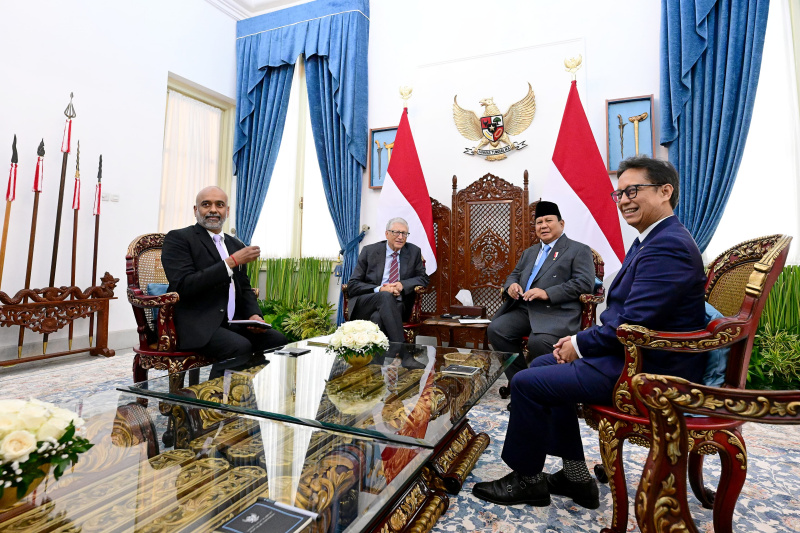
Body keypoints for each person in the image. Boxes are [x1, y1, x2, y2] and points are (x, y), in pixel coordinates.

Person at [472, 155, 707, 509]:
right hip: (631, 353)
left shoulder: (668, 245)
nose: (624, 199)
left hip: (649, 368)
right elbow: (628, 315)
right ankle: (576, 477)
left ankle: (527, 479)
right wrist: (581, 342)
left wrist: (580, 344)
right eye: (619, 193)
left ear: (664, 191)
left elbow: (633, 322)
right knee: (539, 369)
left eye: (633, 190)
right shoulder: (652, 239)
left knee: (526, 381)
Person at [161, 186, 287, 379]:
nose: (213, 210)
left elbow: (244, 288)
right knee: (239, 346)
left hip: (231, 322)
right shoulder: (179, 238)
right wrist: (231, 262)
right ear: (196, 210)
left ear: (227, 211)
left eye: (219, 205)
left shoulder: (235, 245)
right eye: (206, 204)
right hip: (196, 323)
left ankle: (242, 393)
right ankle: (214, 402)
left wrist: (254, 315)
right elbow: (184, 285)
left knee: (276, 340)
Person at [488, 201, 595, 396]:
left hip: (555, 312)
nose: (543, 226)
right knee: (497, 330)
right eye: (539, 222)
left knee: (538, 342)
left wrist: (547, 293)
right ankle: (521, 383)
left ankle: (548, 389)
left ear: (561, 224)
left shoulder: (578, 250)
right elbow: (514, 274)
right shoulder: (529, 253)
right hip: (525, 309)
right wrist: (511, 286)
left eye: (548, 221)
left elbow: (584, 283)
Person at [346, 217, 429, 343]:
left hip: (397, 304)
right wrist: (380, 289)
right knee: (384, 295)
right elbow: (353, 285)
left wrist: (402, 285)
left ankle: (378, 360)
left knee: (377, 318)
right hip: (367, 302)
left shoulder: (413, 252)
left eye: (404, 233)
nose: (400, 237)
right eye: (396, 232)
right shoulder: (370, 251)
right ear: (387, 234)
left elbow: (423, 279)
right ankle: (402, 351)